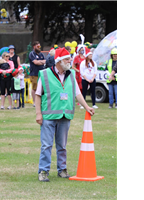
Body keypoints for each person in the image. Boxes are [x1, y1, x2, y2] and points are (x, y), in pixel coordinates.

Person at [35, 47, 95, 182]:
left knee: (62, 146)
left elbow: (77, 94)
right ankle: (43, 171)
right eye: (67, 59)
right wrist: (38, 114)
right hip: (48, 116)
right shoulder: (44, 74)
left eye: (69, 59)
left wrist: (86, 107)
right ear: (59, 61)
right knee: (46, 145)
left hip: (64, 116)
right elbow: (38, 95)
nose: (70, 61)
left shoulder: (72, 74)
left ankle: (62, 169)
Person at [29, 41, 46, 107]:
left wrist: (40, 62)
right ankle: (34, 102)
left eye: (40, 46)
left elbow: (45, 61)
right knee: (35, 88)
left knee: (42, 88)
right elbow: (35, 62)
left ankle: (41, 101)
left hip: (41, 73)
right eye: (38, 46)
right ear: (34, 47)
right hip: (34, 73)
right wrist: (40, 62)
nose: (39, 48)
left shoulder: (41, 54)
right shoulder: (32, 54)